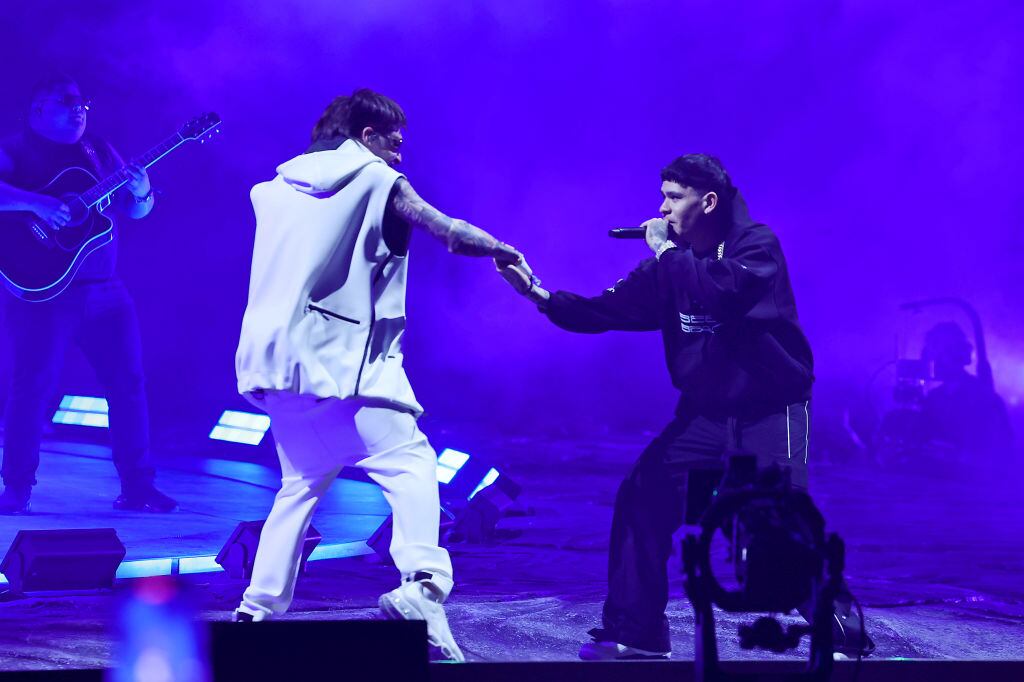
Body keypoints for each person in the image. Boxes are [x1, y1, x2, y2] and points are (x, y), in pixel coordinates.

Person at [497, 153, 872, 659]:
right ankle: (638, 633)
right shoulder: (669, 264)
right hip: (705, 416)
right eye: (664, 197)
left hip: (770, 409)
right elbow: (606, 310)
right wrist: (539, 294)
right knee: (643, 496)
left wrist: (665, 254)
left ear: (708, 201)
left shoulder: (756, 246)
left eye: (675, 198)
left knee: (769, 531)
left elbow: (721, 293)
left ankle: (843, 635)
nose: (662, 208)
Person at [232, 88, 529, 662]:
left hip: (274, 363)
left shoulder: (269, 191)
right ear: (366, 137)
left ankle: (256, 608)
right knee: (412, 463)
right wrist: (502, 250)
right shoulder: (375, 179)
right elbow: (444, 229)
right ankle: (422, 585)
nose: (400, 155)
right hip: (342, 362)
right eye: (395, 142)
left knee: (299, 485)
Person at [0, 75, 177, 515]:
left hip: (106, 290)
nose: (79, 108)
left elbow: (137, 211)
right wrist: (35, 203)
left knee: (129, 385)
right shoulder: (15, 149)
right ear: (37, 108)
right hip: (42, 293)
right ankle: (17, 488)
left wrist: (141, 192)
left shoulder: (98, 150)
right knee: (32, 389)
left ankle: (137, 487)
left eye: (82, 101)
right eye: (66, 100)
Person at [919, 321, 1013, 457]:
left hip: (969, 476)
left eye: (942, 353)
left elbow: (1002, 450)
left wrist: (958, 454)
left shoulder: (983, 397)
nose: (936, 360)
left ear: (959, 355)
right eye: (933, 353)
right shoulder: (933, 398)